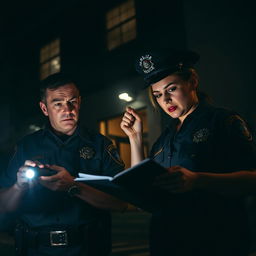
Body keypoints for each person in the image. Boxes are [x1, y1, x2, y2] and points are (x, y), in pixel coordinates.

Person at [120, 48, 256, 256]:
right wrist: (135, 138)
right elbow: (143, 192)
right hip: (167, 241)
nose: (165, 100)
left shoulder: (222, 121)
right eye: (157, 95)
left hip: (214, 241)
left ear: (192, 81)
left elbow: (252, 179)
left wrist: (198, 179)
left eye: (171, 89)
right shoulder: (164, 140)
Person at [0, 73, 128, 256]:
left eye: (72, 101)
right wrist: (19, 186)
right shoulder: (26, 146)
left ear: (80, 102)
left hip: (87, 248)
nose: (67, 109)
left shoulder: (101, 145)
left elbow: (121, 203)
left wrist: (73, 186)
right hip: (36, 249)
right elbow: (3, 205)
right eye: (58, 103)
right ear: (44, 108)